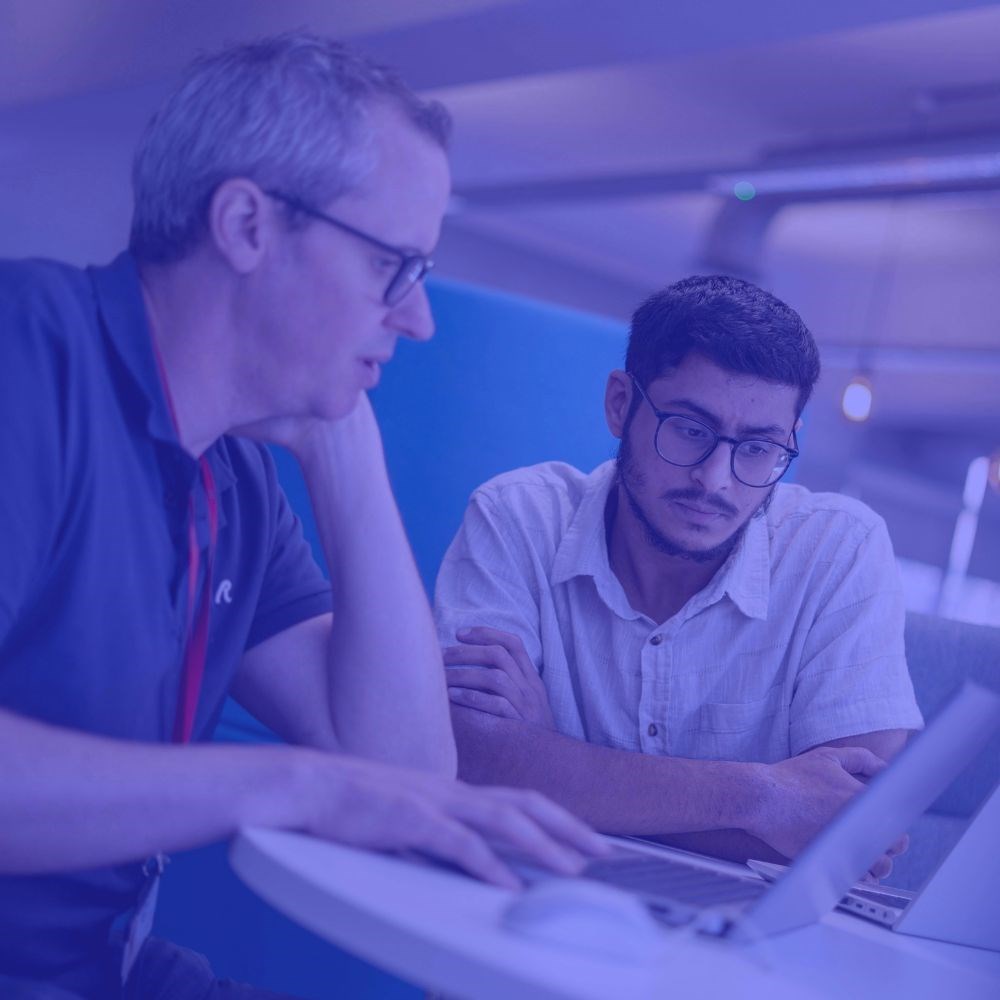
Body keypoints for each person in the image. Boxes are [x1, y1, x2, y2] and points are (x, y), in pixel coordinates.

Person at [0, 33, 605, 1000]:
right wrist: (288, 784)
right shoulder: (27, 357)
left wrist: (344, 444)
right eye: (393, 267)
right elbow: (337, 780)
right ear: (246, 225)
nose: (419, 320)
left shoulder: (231, 479)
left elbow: (407, 768)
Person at [435, 275, 923, 870]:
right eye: (690, 430)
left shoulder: (841, 548)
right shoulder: (519, 515)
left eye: (759, 447)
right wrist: (764, 798)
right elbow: (469, 755)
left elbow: (847, 832)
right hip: (525, 893)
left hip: (744, 943)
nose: (715, 479)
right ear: (621, 403)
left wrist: (551, 760)